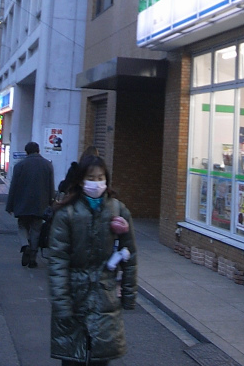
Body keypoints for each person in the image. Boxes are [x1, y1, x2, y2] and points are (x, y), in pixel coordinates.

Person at [47, 155, 137, 366]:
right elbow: (57, 262)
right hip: (74, 296)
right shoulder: (66, 214)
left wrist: (129, 294)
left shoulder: (118, 210)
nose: (97, 183)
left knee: (100, 359)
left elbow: (129, 255)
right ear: (80, 180)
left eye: (101, 178)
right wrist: (62, 303)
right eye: (91, 178)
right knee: (73, 359)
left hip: (105, 297)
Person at [5, 141, 55, 267]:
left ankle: (24, 245)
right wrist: (51, 202)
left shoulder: (19, 166)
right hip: (40, 204)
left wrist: (10, 205)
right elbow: (51, 187)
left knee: (22, 226)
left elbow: (13, 187)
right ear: (38, 150)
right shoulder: (47, 165)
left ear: (26, 152)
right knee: (36, 230)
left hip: (22, 203)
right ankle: (33, 257)